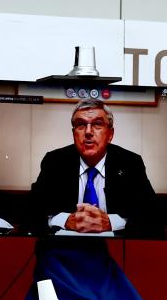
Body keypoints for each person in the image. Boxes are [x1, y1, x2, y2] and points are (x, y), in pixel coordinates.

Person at [29, 100, 154, 236]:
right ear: (73, 133)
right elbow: (31, 213)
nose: (88, 132)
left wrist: (110, 222)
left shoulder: (130, 163)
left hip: (114, 250)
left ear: (110, 134)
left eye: (97, 124)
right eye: (81, 125)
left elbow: (151, 216)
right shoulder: (55, 162)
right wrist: (66, 220)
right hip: (64, 250)